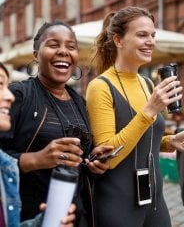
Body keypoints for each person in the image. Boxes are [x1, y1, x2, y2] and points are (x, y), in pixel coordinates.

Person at [86, 6, 184, 227]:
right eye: (142, 35)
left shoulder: (147, 83)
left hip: (155, 200)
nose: (151, 41)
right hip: (118, 205)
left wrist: (169, 142)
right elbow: (108, 157)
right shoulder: (100, 87)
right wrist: (148, 111)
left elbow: (143, 140)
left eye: (152, 35)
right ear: (118, 40)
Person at [0, 21, 113, 226]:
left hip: (77, 216)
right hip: (32, 216)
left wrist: (93, 163)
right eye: (53, 45)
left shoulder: (80, 102)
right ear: (36, 54)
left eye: (71, 47)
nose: (63, 51)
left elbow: (78, 161)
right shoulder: (18, 95)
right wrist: (37, 159)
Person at [0, 62, 76, 227]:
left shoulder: (6, 167)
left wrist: (43, 222)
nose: (9, 96)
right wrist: (37, 159)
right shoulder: (24, 93)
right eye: (0, 85)